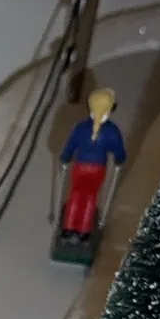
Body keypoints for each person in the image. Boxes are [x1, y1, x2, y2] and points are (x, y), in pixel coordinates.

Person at [58, 88, 127, 239]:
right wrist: (120, 159)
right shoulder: (112, 130)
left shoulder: (81, 127)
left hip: (80, 166)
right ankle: (84, 231)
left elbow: (71, 144)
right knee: (90, 197)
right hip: (98, 168)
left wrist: (65, 157)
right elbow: (118, 148)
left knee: (76, 195)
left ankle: (68, 227)